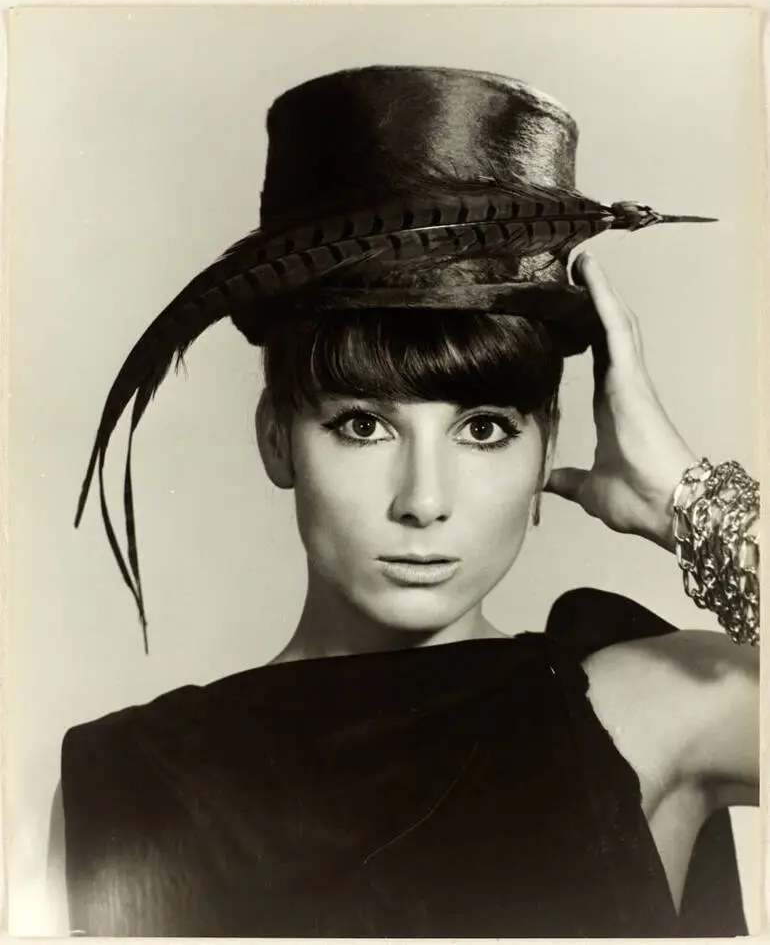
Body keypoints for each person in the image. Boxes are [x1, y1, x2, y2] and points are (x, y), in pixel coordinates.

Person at [51, 66, 759, 937]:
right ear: (277, 437)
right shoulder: (128, 779)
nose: (424, 501)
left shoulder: (647, 706)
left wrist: (684, 497)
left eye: (485, 429)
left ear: (547, 442)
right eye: (360, 426)